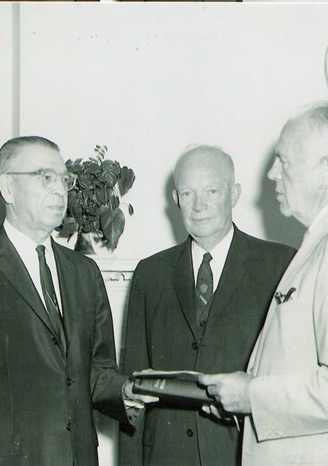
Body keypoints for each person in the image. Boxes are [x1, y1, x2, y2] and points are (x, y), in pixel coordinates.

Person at [0, 136, 149, 465]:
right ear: (7, 188)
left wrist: (127, 392)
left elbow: (95, 372)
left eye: (65, 179)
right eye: (45, 177)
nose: (61, 190)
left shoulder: (84, 271)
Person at [199, 101, 328, 465]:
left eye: (284, 160)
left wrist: (252, 395)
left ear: (326, 170)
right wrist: (242, 400)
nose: (271, 173)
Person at [118, 144, 296, 466]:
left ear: (234, 194)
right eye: (187, 194)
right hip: (165, 456)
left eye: (211, 190)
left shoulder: (280, 265)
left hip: (242, 454)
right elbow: (133, 390)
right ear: (176, 200)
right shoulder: (151, 273)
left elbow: (291, 382)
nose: (199, 205)